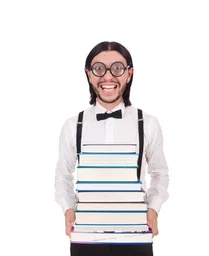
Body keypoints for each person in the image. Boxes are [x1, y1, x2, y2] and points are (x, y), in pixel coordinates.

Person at [54, 41, 170, 256]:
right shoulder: (73, 125)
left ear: (129, 73)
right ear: (89, 74)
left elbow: (160, 172)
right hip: (85, 235)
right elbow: (63, 175)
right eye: (99, 69)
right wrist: (68, 208)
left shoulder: (148, 123)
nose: (108, 77)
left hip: (135, 234)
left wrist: (153, 208)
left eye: (117, 68)